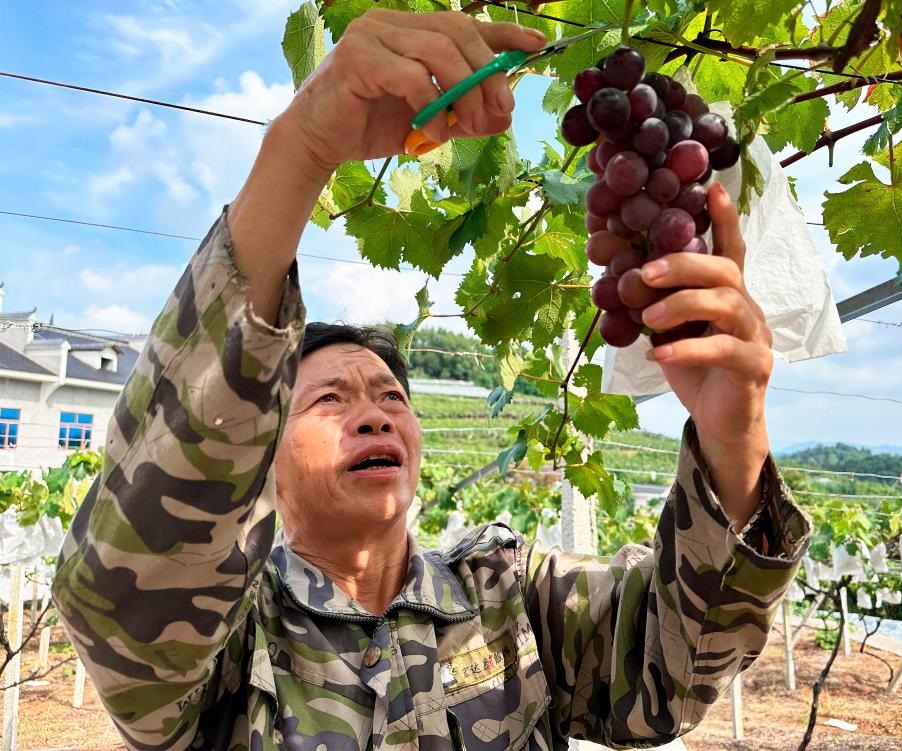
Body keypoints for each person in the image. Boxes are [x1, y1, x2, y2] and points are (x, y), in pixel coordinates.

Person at [52, 9, 810, 751]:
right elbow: (125, 588)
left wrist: (731, 437)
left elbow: (672, 674)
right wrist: (302, 148)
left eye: (391, 398)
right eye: (330, 399)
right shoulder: (225, 641)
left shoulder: (512, 597)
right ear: (262, 458)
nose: (376, 415)